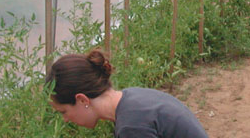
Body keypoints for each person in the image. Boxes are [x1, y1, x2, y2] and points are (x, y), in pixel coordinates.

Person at [47, 49, 208, 137]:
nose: (66, 119)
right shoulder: (131, 98)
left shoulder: (132, 125)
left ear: (82, 100)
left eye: (64, 111)